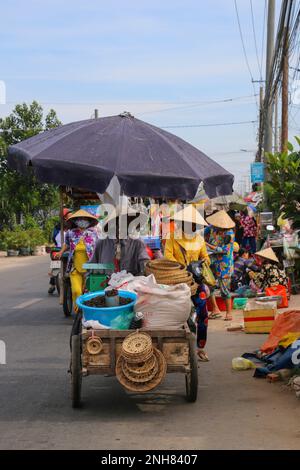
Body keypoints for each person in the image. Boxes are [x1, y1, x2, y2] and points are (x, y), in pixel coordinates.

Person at [164, 205, 211, 362]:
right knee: (178, 315)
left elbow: (206, 258)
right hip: (177, 281)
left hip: (196, 283)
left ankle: (200, 348)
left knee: (203, 314)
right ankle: (179, 348)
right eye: (187, 223)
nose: (191, 226)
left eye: (193, 224)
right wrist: (182, 268)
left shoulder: (199, 239)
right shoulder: (172, 237)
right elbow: (167, 257)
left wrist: (201, 263)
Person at [55, 209, 99, 312]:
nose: (82, 221)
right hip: (75, 268)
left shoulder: (94, 233)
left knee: (87, 293)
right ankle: (78, 311)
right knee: (76, 291)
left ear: (88, 220)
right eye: (79, 219)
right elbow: (66, 244)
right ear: (75, 221)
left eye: (84, 219)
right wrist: (60, 252)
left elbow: (98, 246)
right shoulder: (71, 233)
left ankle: (86, 311)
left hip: (89, 268)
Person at [90, 206, 150, 275]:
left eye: (126, 222)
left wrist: (146, 266)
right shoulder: (101, 243)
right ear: (112, 225)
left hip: (131, 283)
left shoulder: (137, 243)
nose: (122, 226)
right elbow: (91, 266)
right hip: (105, 283)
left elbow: (145, 262)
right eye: (118, 222)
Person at [205, 210, 235, 321]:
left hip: (224, 264)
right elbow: (201, 232)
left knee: (225, 288)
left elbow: (223, 250)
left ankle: (228, 312)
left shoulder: (229, 234)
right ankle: (215, 309)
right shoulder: (212, 228)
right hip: (212, 260)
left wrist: (207, 245)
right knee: (209, 284)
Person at [48, 208, 71, 294]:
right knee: (55, 265)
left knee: (55, 265)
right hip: (61, 249)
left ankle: (52, 284)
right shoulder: (69, 227)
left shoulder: (58, 227)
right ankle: (52, 284)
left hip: (61, 249)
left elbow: (53, 238)